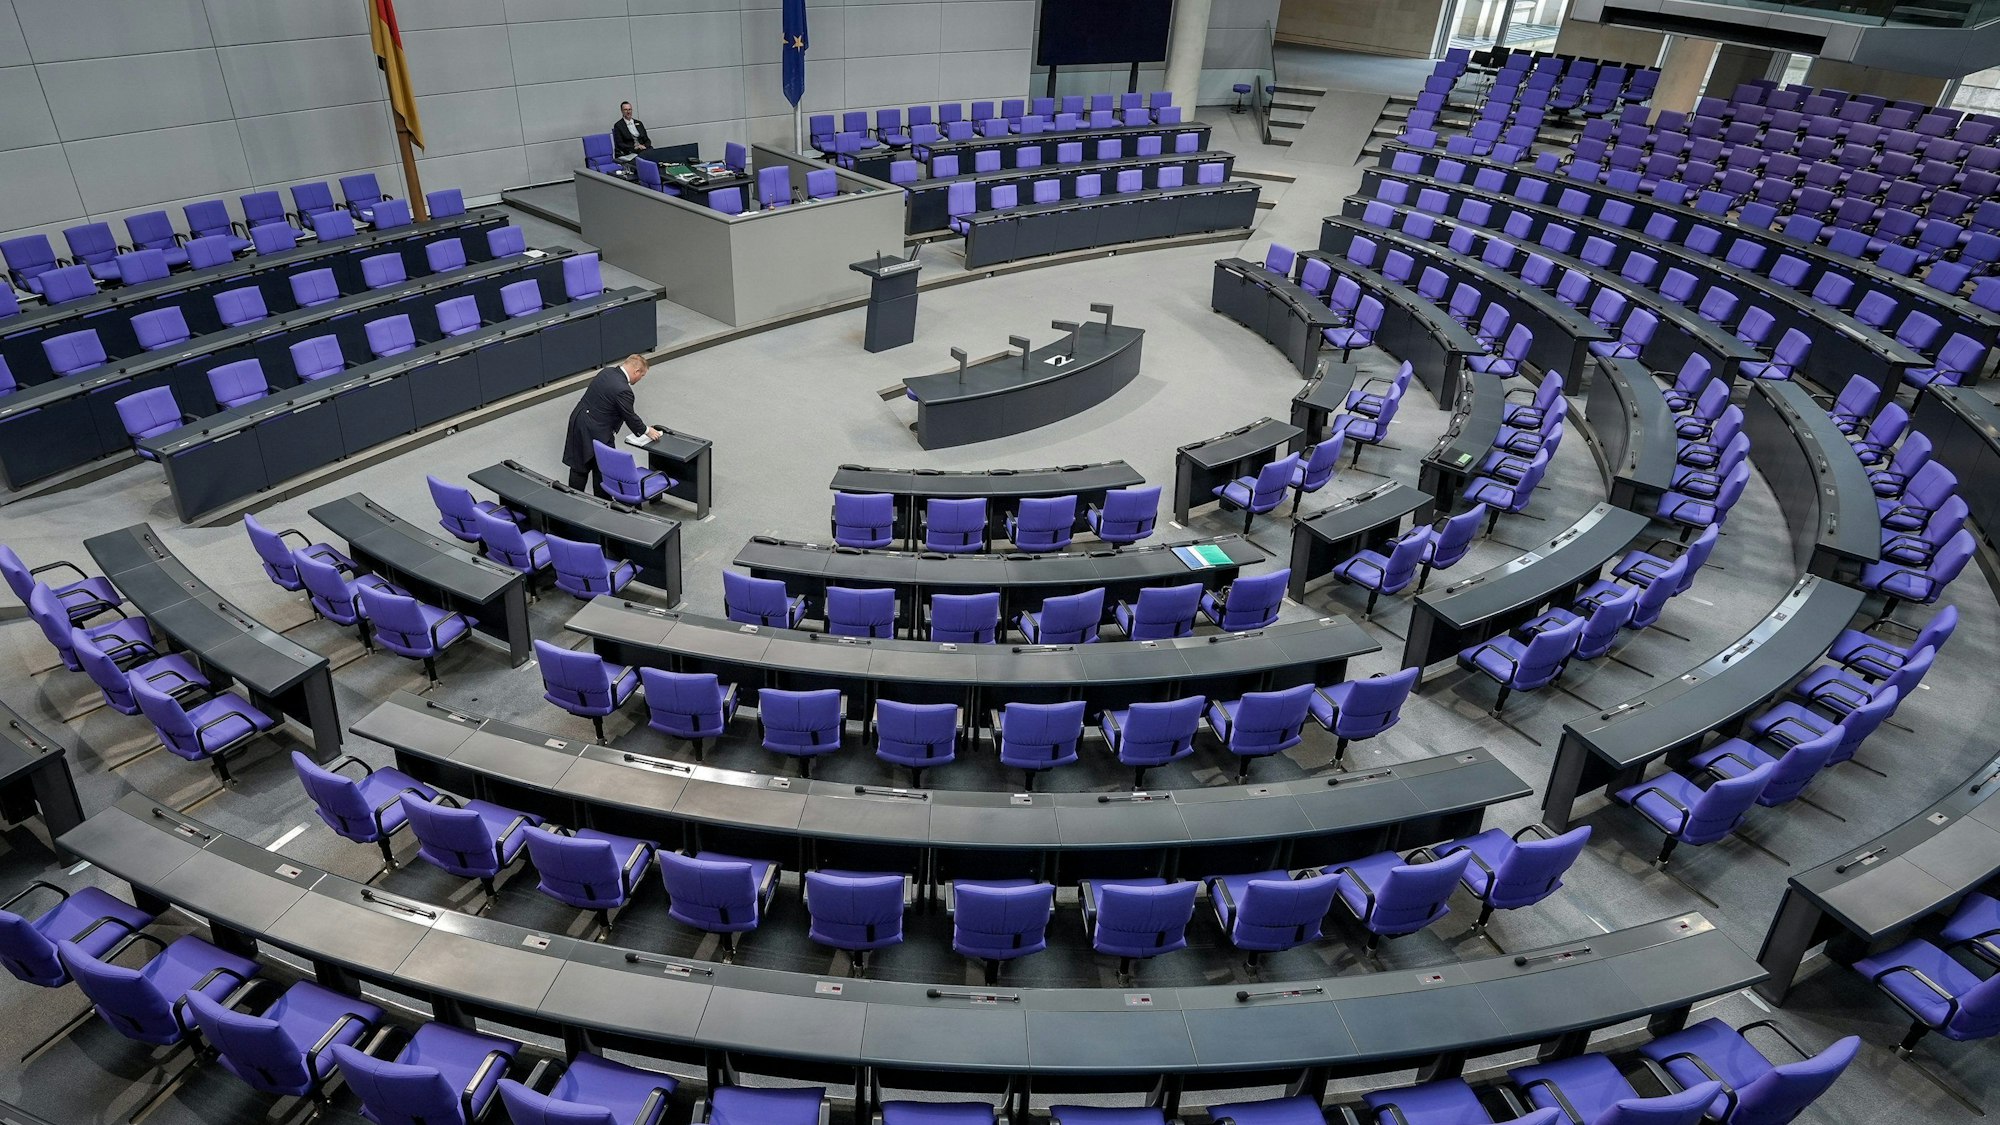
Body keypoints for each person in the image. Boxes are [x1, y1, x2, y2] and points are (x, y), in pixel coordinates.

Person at [563, 354, 661, 495]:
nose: (640, 379)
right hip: (597, 430)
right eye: (642, 375)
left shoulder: (606, 371)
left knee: (580, 466)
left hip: (579, 421)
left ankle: (573, 499)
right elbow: (630, 416)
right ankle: (603, 502)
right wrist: (647, 431)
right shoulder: (623, 390)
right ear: (636, 371)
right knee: (604, 467)